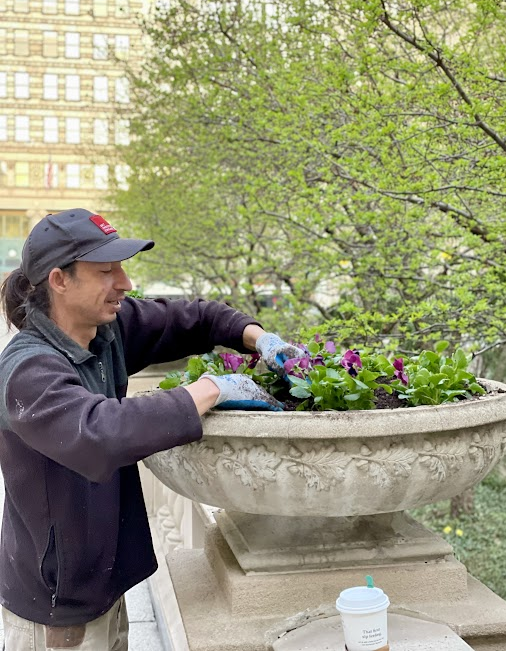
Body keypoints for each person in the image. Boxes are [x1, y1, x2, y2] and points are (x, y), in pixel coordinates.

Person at [0, 208, 304, 651]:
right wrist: (211, 389)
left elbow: (197, 317)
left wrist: (261, 339)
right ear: (59, 280)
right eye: (106, 271)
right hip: (57, 606)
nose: (123, 282)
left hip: (104, 582)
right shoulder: (28, 369)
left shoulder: (103, 330)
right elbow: (99, 434)